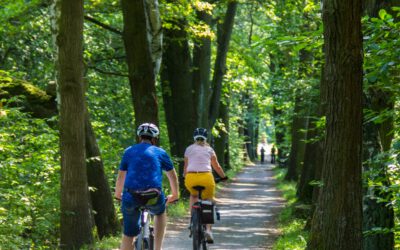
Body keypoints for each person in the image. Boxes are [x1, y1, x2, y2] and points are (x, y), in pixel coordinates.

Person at [114, 123, 179, 250]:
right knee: (160, 213)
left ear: (139, 137)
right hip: (153, 195)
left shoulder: (129, 151)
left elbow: (121, 176)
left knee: (128, 234)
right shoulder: (160, 152)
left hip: (130, 196)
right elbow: (172, 176)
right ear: (154, 139)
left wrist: (117, 194)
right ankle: (157, 248)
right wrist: (175, 195)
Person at [183, 128, 227, 243]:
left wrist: (184, 176)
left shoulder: (188, 149)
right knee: (207, 200)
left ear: (194, 137)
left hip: (191, 178)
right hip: (206, 178)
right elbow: (216, 166)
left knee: (193, 196)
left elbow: (185, 167)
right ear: (206, 138)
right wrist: (223, 177)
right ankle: (208, 230)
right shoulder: (209, 149)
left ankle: (192, 221)